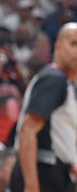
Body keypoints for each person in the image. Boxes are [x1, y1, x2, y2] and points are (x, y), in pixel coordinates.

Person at [10, 22, 77, 192]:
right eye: (74, 44)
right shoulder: (54, 79)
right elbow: (28, 129)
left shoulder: (64, 83)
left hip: (56, 172)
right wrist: (31, 185)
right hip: (43, 171)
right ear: (58, 46)